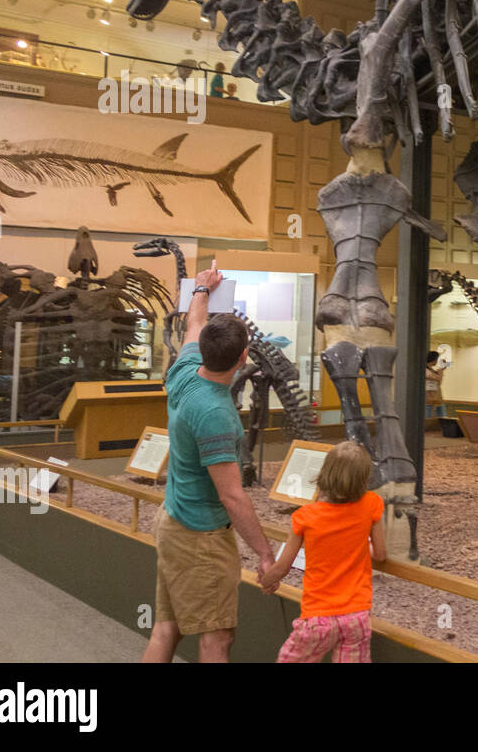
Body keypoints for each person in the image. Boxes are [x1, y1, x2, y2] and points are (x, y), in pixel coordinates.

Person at [142, 261, 277, 664]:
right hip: (199, 537)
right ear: (244, 357)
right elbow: (233, 496)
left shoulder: (183, 371)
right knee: (217, 637)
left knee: (167, 627)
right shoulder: (217, 414)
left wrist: (202, 288)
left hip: (173, 519)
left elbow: (192, 327)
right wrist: (265, 554)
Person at [261, 441, 385, 663]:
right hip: (357, 616)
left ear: (325, 472)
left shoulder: (305, 516)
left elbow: (283, 566)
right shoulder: (372, 504)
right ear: (364, 478)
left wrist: (267, 579)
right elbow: (381, 554)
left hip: (319, 618)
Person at [425, 350, 447, 421]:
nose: (437, 361)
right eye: (437, 359)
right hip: (428, 399)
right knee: (427, 420)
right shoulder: (425, 370)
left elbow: (439, 382)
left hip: (437, 398)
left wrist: (441, 370)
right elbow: (438, 378)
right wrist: (440, 372)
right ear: (434, 359)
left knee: (442, 417)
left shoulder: (432, 370)